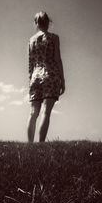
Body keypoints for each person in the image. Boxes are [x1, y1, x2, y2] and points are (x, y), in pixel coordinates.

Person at [27, 11, 65, 142]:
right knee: (46, 112)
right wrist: (62, 80)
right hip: (50, 75)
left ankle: (30, 145)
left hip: (35, 77)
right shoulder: (54, 38)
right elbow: (57, 59)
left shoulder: (31, 40)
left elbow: (30, 63)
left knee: (33, 113)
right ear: (48, 22)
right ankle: (40, 144)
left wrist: (31, 79)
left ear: (36, 24)